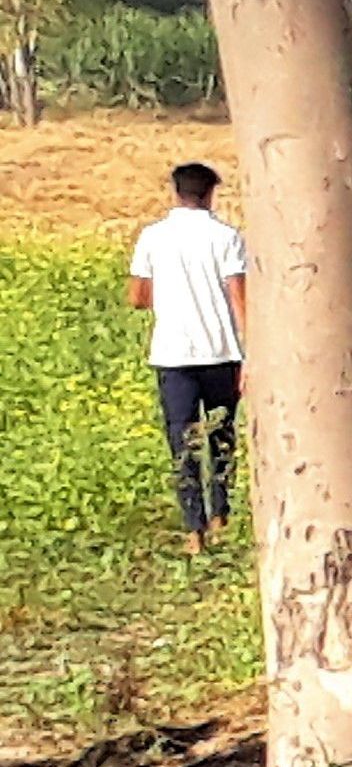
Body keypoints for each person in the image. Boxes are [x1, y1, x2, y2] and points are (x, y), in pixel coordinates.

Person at [126, 161, 249, 553]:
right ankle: (221, 514)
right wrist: (252, 355)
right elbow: (239, 297)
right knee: (222, 437)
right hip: (222, 352)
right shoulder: (226, 236)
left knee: (183, 442)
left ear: (174, 192)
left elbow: (137, 298)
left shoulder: (152, 237)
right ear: (211, 193)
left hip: (173, 354)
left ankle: (193, 530)